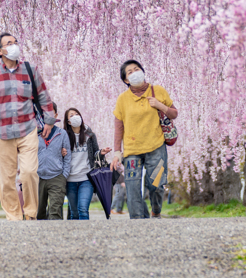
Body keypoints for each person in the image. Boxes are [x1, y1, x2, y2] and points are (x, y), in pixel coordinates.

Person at [0, 33, 57, 221]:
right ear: (0, 51)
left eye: (15, 42)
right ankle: (14, 216)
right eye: (9, 43)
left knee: (29, 172)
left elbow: (44, 96)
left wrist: (49, 120)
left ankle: (30, 213)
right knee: (7, 178)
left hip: (27, 129)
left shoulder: (30, 70)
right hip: (2, 132)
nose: (14, 46)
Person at [108, 60, 178, 219]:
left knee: (157, 185)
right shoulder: (122, 99)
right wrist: (117, 152)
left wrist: (160, 105)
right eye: (130, 72)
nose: (134, 73)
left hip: (156, 147)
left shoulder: (158, 91)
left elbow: (174, 113)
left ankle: (156, 211)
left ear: (143, 71)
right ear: (126, 80)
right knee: (132, 190)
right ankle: (138, 225)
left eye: (136, 69)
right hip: (133, 151)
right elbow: (119, 126)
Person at [62, 108, 111, 220]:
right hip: (70, 180)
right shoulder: (64, 136)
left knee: (83, 209)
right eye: (71, 115)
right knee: (74, 213)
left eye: (76, 114)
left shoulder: (90, 135)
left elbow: (95, 153)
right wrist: (61, 152)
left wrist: (101, 153)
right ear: (68, 121)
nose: (75, 116)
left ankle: (85, 235)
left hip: (86, 178)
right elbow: (59, 156)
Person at [37, 118, 70, 219]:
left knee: (54, 212)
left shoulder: (62, 133)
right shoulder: (34, 133)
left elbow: (68, 156)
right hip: (38, 177)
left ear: (55, 115)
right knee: (38, 212)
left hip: (57, 177)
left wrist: (64, 175)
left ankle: (55, 234)